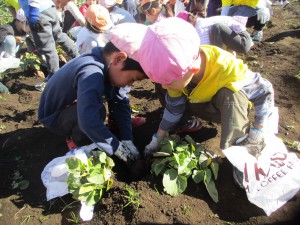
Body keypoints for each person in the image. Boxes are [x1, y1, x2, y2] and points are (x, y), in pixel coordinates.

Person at [109, 17, 275, 187]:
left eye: (169, 81)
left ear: (193, 69)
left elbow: (265, 91)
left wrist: (259, 129)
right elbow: (174, 106)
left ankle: (241, 154)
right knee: (166, 90)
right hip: (197, 99)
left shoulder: (227, 68)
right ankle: (187, 123)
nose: (166, 85)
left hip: (226, 110)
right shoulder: (175, 69)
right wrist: (157, 139)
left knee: (230, 94)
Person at [38, 41, 147, 165]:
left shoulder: (109, 63)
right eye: (132, 79)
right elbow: (88, 121)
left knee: (113, 96)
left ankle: (113, 126)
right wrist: (118, 149)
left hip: (74, 105)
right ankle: (79, 138)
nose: (130, 84)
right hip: (54, 116)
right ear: (118, 59)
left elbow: (120, 101)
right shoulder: (90, 72)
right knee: (97, 112)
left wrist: (128, 139)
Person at [18, 0, 79, 92]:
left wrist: (33, 14)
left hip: (38, 13)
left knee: (47, 48)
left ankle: (54, 78)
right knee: (59, 35)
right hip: (49, 8)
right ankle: (79, 56)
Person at [177, 11, 253, 54]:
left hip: (243, 43)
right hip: (239, 38)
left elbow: (204, 48)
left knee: (217, 29)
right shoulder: (201, 22)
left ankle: (225, 57)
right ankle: (226, 55)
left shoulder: (200, 28)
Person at [0, 9, 30, 73]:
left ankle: (10, 61)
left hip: (9, 54)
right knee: (10, 39)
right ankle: (8, 62)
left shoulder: (24, 30)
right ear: (22, 22)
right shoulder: (5, 29)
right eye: (30, 25)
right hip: (2, 55)